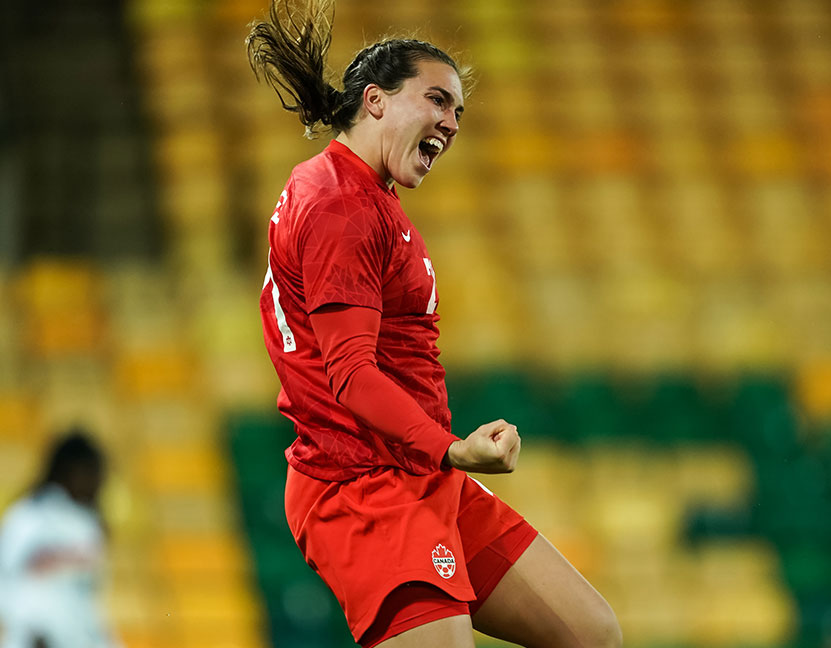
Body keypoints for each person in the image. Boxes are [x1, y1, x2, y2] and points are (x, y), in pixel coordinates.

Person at [247, 2, 622, 646]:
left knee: (591, 633)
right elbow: (351, 375)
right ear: (375, 101)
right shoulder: (341, 205)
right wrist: (451, 447)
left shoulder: (364, 196)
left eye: (457, 112)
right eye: (438, 100)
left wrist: (438, 460)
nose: (450, 122)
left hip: (413, 473)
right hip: (362, 486)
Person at [0, 429, 120, 648]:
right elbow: (9, 583)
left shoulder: (89, 526)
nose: (98, 483)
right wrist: (34, 630)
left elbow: (89, 602)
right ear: (69, 471)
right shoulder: (28, 517)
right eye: (92, 473)